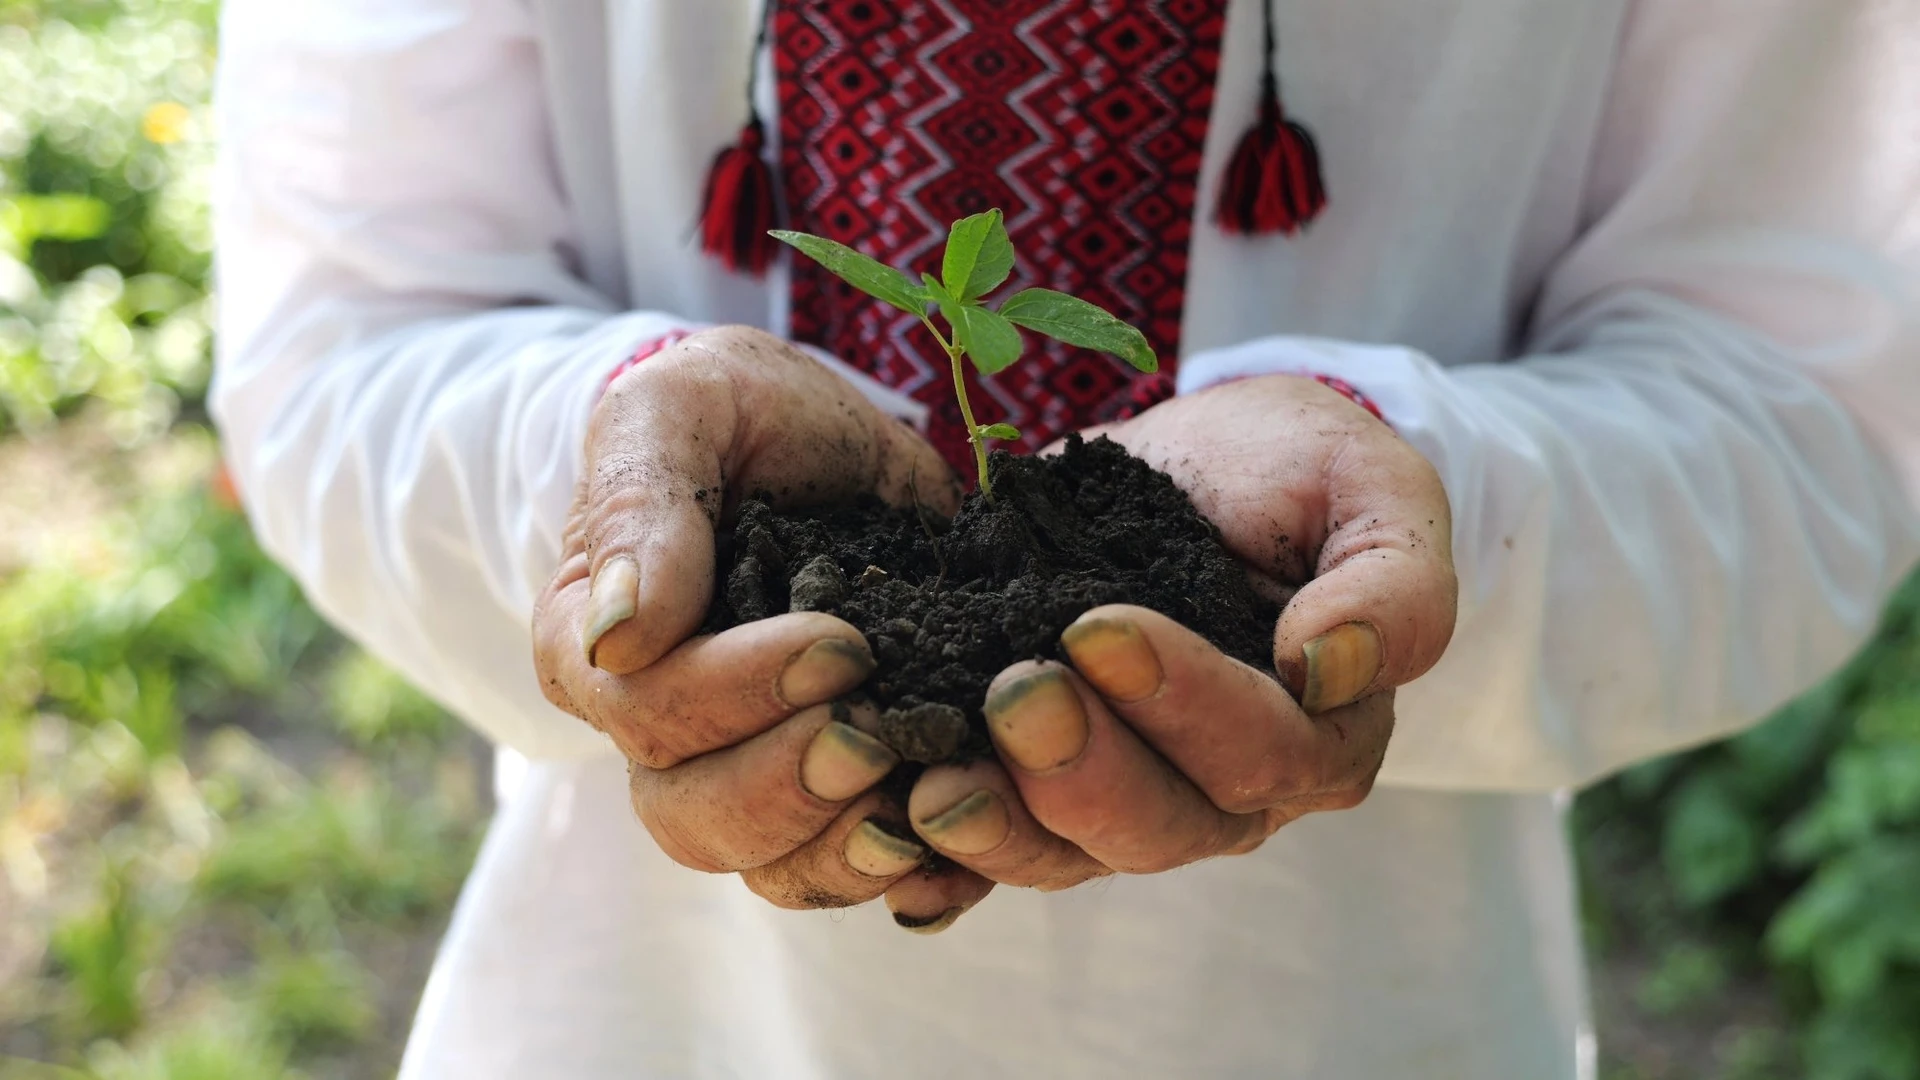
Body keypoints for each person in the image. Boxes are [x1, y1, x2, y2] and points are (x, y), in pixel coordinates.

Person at [210, 0, 1920, 1076]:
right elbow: (348, 338)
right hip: (638, 1015)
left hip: (1360, 1011)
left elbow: (1804, 409)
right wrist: (608, 473)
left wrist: (1412, 484)